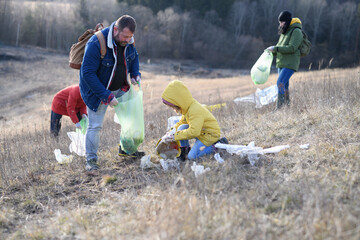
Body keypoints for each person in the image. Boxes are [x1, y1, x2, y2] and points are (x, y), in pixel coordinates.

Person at [79, 15, 144, 172]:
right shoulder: (96, 42)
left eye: (130, 37)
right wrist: (106, 96)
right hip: (97, 92)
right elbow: (87, 74)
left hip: (121, 88)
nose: (128, 40)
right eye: (125, 36)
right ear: (116, 29)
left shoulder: (129, 40)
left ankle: (127, 151)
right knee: (95, 126)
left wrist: (135, 73)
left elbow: (133, 56)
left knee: (131, 119)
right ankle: (91, 161)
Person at [161, 80, 228, 161]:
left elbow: (194, 132)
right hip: (201, 132)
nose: (173, 109)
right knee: (181, 127)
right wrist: (171, 132)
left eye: (173, 106)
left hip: (209, 136)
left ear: (178, 102)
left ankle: (217, 146)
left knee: (192, 157)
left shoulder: (194, 110)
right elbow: (182, 122)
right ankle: (184, 151)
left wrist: (175, 136)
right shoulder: (186, 107)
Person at [266, 10, 303, 109]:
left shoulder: (296, 31)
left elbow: (292, 48)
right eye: (279, 22)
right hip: (281, 63)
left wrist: (275, 48)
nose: (280, 24)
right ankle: (287, 108)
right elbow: (279, 47)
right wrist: (271, 52)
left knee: (280, 83)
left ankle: (280, 109)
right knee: (284, 86)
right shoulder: (284, 31)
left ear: (287, 21)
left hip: (290, 63)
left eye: (282, 22)